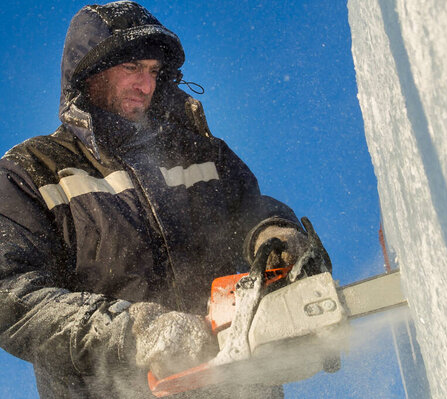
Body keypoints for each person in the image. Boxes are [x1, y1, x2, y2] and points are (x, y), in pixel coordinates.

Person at [0, 2, 311, 398]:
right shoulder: (31, 172)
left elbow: (249, 211)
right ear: (88, 75)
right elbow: (12, 296)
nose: (145, 85)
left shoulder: (200, 153)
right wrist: (132, 332)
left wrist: (274, 235)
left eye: (152, 71)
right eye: (131, 68)